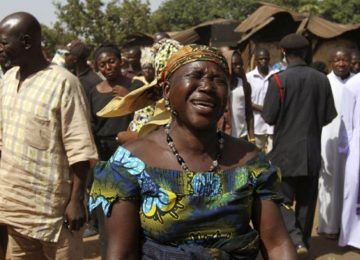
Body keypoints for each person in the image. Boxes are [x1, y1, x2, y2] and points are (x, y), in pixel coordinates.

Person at [89, 44, 297, 259]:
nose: (207, 86)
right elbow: (121, 253)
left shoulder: (250, 161)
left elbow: (277, 244)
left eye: (218, 80)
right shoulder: (130, 163)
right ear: (167, 91)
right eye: (195, 76)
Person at [0, 12, 98, 259]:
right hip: (15, 211)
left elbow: (80, 149)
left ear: (25, 42)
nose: (0, 49)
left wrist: (76, 201)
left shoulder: (64, 83)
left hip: (54, 215)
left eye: (3, 43)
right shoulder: (9, 79)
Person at [262, 33, 337, 254]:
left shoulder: (278, 80)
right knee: (306, 203)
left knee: (281, 200)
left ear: (283, 53)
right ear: (306, 53)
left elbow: (269, 117)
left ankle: (295, 240)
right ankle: (302, 241)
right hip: (312, 152)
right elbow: (328, 116)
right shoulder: (322, 79)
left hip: (284, 154)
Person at [89, 43, 135, 259]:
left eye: (111, 61)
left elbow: (147, 117)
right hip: (104, 157)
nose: (108, 67)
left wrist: (128, 97)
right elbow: (90, 127)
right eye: (102, 64)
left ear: (120, 61)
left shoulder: (135, 87)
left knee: (131, 207)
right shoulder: (94, 92)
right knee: (105, 209)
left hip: (132, 154)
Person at [318, 47, 354, 238]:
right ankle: (329, 226)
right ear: (331, 62)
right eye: (337, 60)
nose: (341, 64)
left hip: (354, 141)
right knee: (328, 181)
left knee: (350, 182)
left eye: (345, 59)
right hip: (328, 138)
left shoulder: (358, 82)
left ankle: (348, 227)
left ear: (351, 61)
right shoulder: (324, 82)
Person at [338, 65, 360, 250]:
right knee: (355, 189)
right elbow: (346, 123)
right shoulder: (354, 83)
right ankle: (353, 236)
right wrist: (345, 150)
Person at [221, 49, 254, 140]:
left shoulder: (245, 85)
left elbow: (249, 113)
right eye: (235, 64)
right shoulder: (220, 86)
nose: (239, 67)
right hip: (224, 135)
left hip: (242, 136)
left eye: (240, 64)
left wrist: (252, 137)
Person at [247, 48, 274, 152]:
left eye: (266, 59)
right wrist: (263, 109)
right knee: (257, 157)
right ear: (256, 60)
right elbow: (246, 101)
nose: (264, 62)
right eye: (261, 59)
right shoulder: (249, 78)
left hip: (272, 125)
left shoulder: (276, 75)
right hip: (257, 125)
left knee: (273, 158)